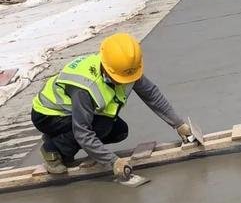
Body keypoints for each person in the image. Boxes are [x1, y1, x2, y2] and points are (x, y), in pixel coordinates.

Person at [31, 33, 193, 178]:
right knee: (102, 126)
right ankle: (52, 148)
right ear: (108, 69)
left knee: (119, 131)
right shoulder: (85, 87)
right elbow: (82, 132)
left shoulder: (124, 67)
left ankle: (61, 140)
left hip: (70, 114)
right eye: (120, 78)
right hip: (48, 115)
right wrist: (113, 162)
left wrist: (179, 124)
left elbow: (151, 94)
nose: (126, 81)